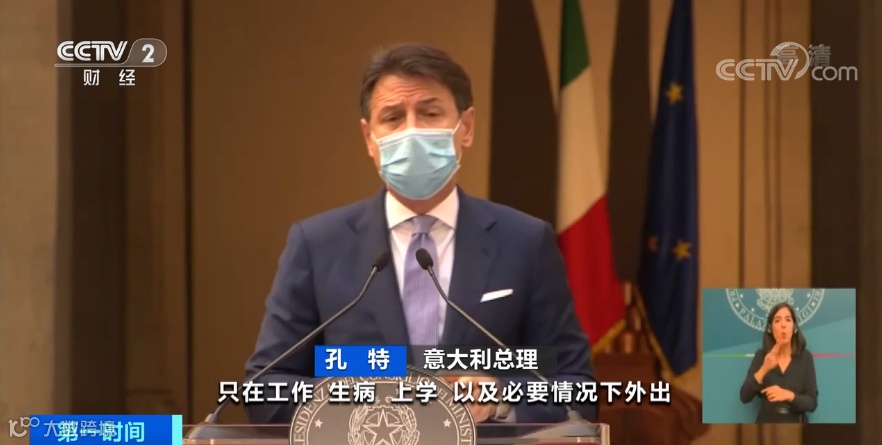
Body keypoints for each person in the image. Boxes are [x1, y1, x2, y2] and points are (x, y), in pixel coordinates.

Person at [244, 43, 596, 425]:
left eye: (429, 113)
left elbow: (578, 388)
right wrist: (371, 404)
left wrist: (500, 398)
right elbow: (265, 388)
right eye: (393, 118)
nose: (411, 131)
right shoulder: (317, 246)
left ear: (466, 128)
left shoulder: (525, 242)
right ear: (369, 138)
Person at [740, 302, 818, 423]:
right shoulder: (761, 356)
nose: (783, 325)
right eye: (777, 320)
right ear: (770, 328)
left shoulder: (805, 357)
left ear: (794, 327)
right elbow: (744, 396)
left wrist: (789, 395)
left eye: (788, 320)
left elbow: (812, 403)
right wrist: (764, 368)